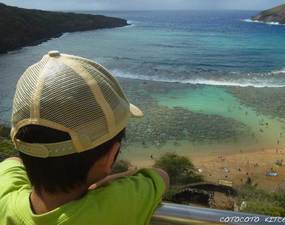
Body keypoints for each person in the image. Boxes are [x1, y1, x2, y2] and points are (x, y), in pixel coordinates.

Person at [0, 51, 169, 225]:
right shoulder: (114, 206)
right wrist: (110, 180)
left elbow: (12, 162)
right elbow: (161, 176)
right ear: (110, 157)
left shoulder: (4, 197)